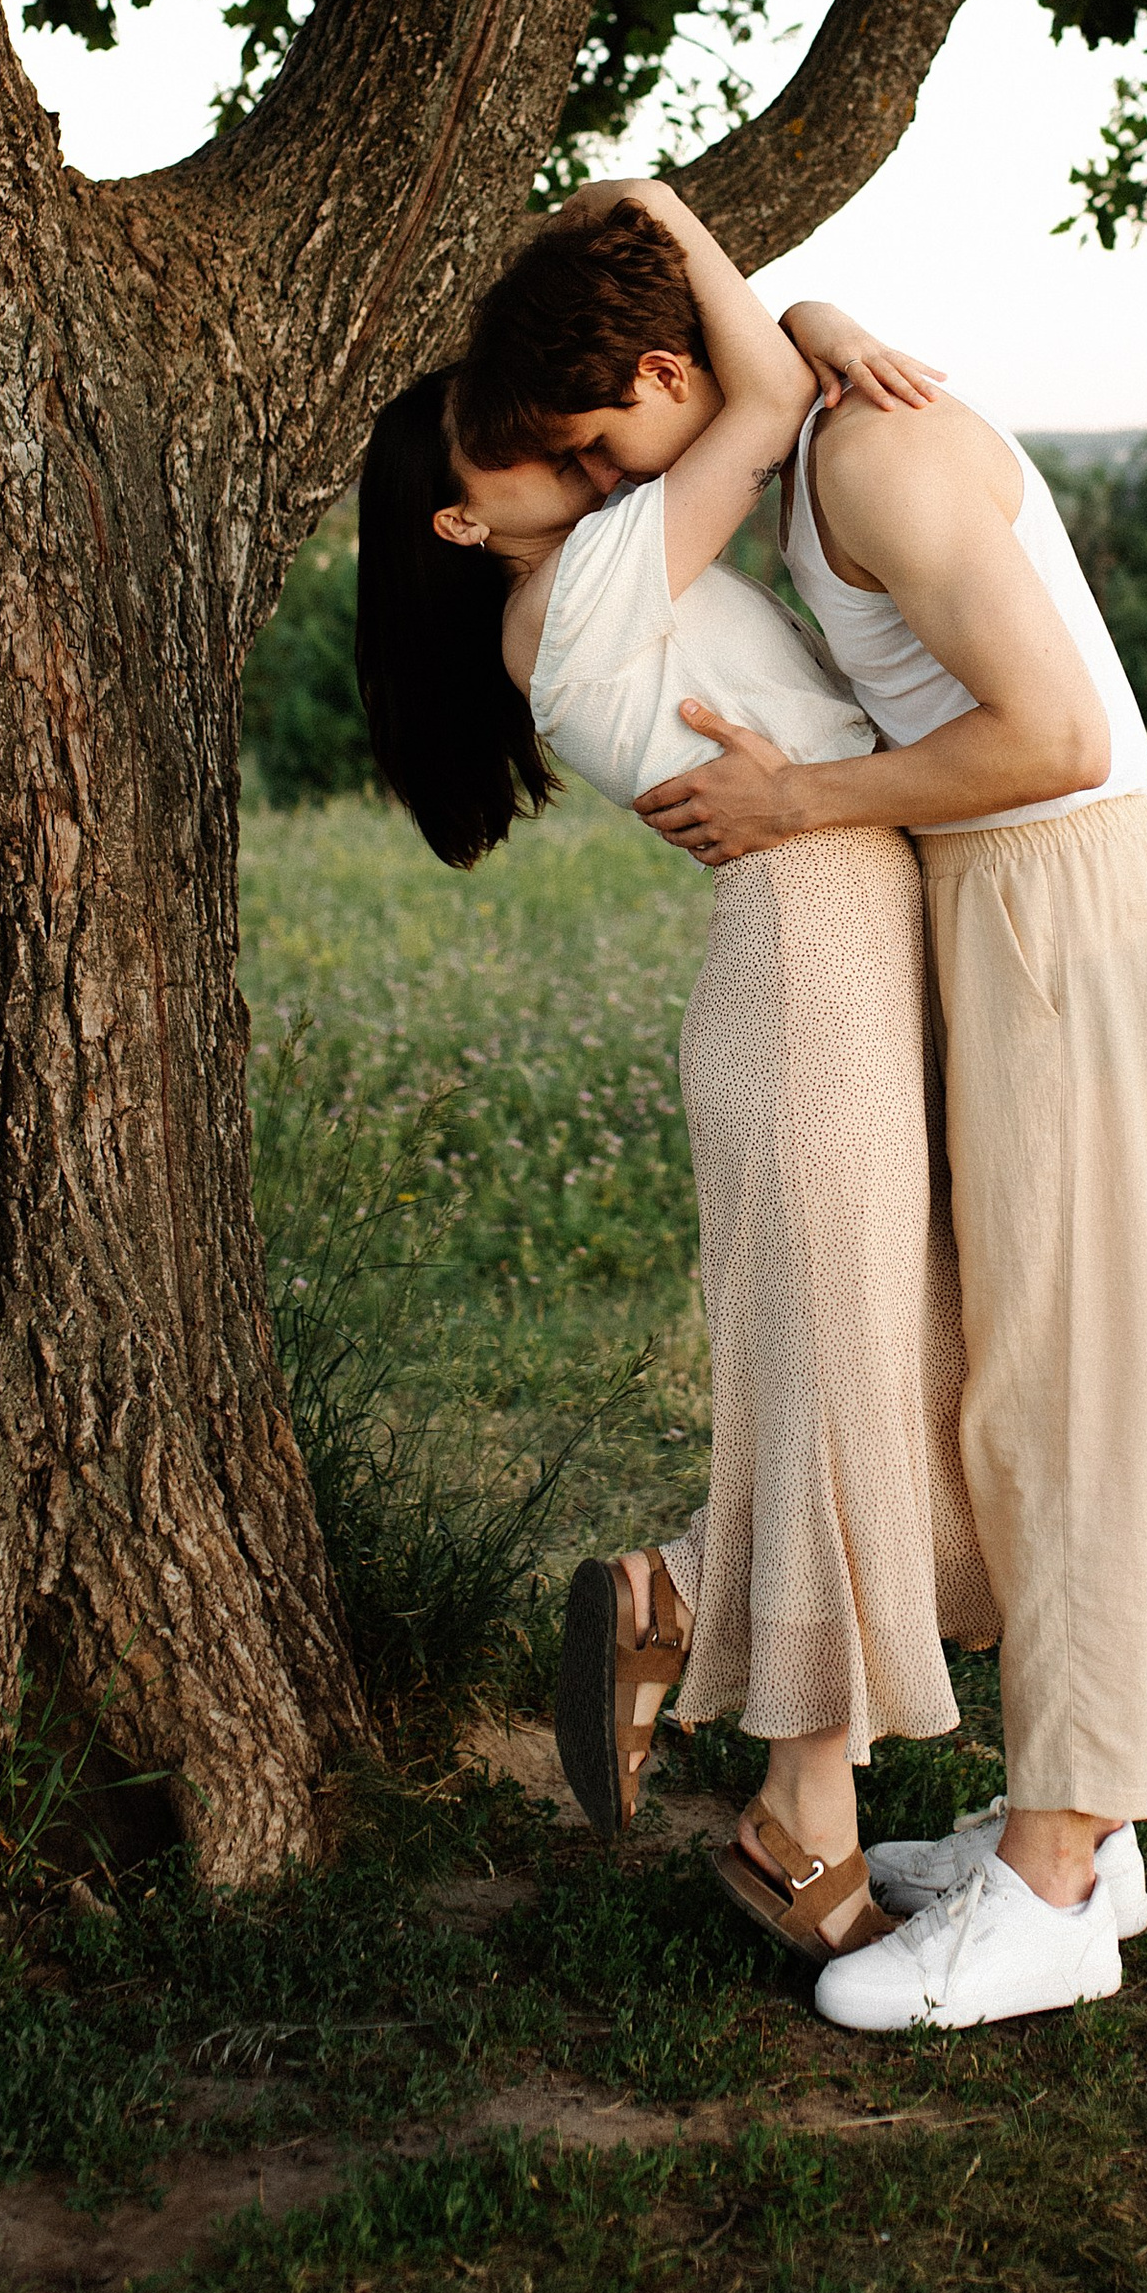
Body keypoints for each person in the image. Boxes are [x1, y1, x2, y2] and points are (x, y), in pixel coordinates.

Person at [461, 260, 1147, 2037]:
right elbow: (752, 378)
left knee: (1062, 1394)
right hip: (970, 903)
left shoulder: (868, 462)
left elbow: (1058, 736)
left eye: (599, 447)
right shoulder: (797, 445)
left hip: (1056, 899)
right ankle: (1065, 1839)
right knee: (987, 1384)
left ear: (663, 365)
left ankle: (1056, 1882)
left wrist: (795, 798)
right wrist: (804, 320)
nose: (616, 493)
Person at [355, 180, 995, 1968]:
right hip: (812, 951)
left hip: (833, 939)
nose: (571, 447)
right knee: (846, 1377)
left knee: (882, 1366)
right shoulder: (576, 593)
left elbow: (720, 395)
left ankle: (685, 1609)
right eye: (513, 442)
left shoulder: (592, 576)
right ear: (463, 513)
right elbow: (758, 413)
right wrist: (659, 210)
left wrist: (819, 320)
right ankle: (805, 1812)